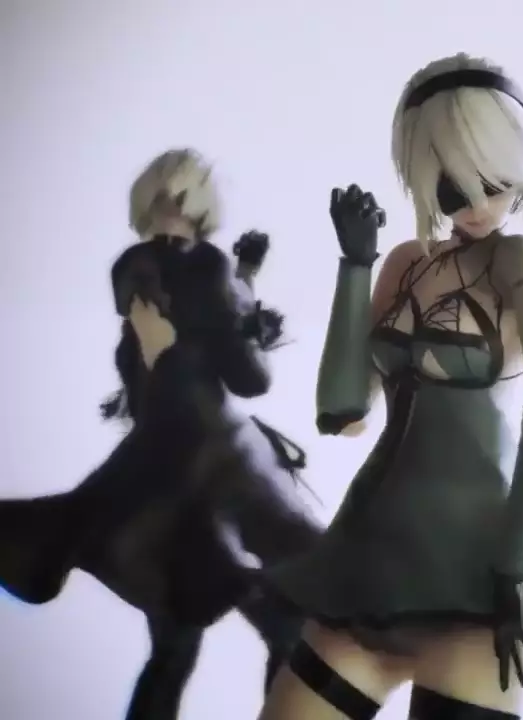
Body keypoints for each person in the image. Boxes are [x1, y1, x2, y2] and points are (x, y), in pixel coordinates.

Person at [257, 53, 523, 720]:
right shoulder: (407, 263)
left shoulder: (516, 262)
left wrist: (512, 568)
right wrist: (355, 264)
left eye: (495, 183)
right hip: (370, 566)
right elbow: (342, 412)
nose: (477, 205)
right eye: (453, 186)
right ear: (423, 177)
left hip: (476, 586)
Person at [0, 149, 323, 720]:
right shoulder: (186, 270)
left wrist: (243, 291)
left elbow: (188, 352)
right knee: (273, 625)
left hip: (174, 468)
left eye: (175, 199)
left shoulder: (157, 273)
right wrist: (241, 315)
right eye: (165, 199)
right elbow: (243, 375)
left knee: (185, 642)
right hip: (207, 463)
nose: (169, 214)